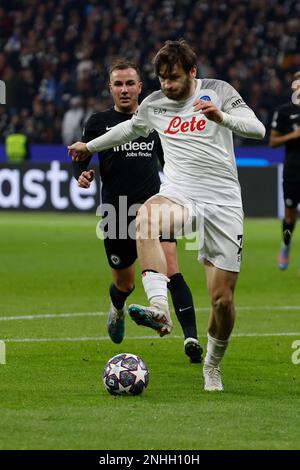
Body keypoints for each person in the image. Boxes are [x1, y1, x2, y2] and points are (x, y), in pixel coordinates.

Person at [68, 40, 265, 391]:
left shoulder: (218, 91)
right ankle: (159, 306)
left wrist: (222, 118)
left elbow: (257, 129)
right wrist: (89, 146)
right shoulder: (155, 104)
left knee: (222, 301)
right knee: (145, 218)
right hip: (179, 194)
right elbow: (129, 129)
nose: (168, 86)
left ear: (192, 72)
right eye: (161, 79)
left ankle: (213, 366)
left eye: (174, 78)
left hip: (223, 203)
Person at [72, 58, 203, 363]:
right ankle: (117, 308)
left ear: (141, 87)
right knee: (125, 283)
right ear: (110, 88)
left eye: (130, 83)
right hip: (116, 214)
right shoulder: (98, 122)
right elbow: (82, 155)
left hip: (154, 209)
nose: (125, 89)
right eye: (118, 84)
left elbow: (170, 161)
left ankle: (191, 338)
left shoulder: (156, 120)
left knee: (172, 269)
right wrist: (81, 173)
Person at [269, 71, 300, 270]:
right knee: (290, 217)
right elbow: (273, 141)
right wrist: (294, 135)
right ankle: (286, 246)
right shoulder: (284, 111)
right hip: (293, 171)